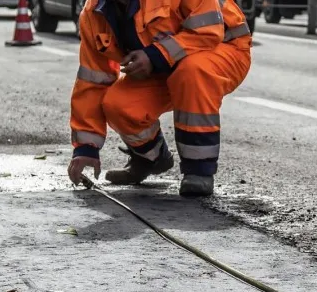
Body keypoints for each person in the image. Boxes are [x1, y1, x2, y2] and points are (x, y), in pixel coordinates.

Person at [66, 0, 252, 197]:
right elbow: (93, 80)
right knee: (118, 105)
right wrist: (86, 149)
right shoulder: (94, 13)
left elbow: (209, 31)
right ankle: (151, 158)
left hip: (224, 47)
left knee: (191, 72)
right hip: (166, 63)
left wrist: (155, 56)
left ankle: (198, 171)